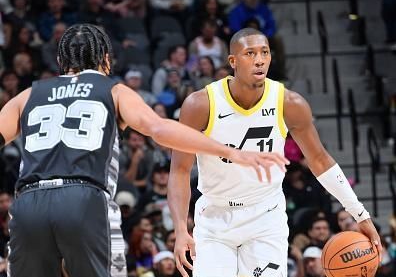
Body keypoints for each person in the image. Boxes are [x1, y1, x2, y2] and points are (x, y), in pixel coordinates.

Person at [0, 24, 287, 277]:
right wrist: (231, 151)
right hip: (83, 199)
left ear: (61, 61)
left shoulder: (28, 95)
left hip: (28, 204)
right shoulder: (113, 90)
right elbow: (160, 130)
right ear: (106, 60)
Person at [168, 28, 382, 277]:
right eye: (250, 53)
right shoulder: (200, 104)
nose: (259, 60)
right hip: (215, 217)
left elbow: (320, 160)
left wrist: (360, 214)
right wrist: (181, 229)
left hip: (265, 216)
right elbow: (180, 171)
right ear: (233, 61)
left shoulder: (289, 103)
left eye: (265, 52)